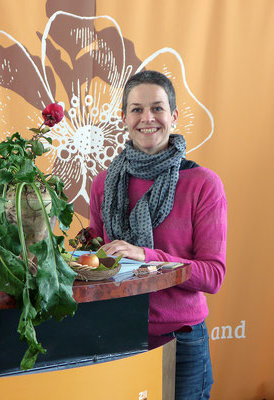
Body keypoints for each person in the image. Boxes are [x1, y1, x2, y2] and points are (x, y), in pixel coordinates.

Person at [89, 70, 227, 399]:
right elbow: (99, 260)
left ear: (174, 116)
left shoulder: (203, 184)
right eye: (136, 109)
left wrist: (147, 257)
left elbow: (213, 275)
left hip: (181, 339)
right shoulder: (104, 183)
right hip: (115, 335)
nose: (147, 118)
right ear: (123, 118)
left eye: (157, 108)